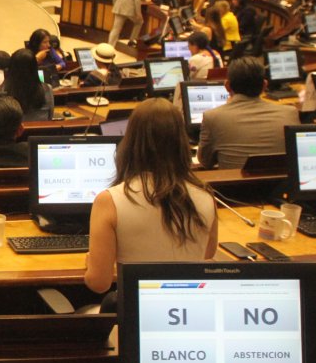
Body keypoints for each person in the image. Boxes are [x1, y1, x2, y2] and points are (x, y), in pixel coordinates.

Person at [84, 98, 217, 295]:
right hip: (189, 311)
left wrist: (89, 264)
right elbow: (207, 253)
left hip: (136, 315)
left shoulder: (110, 200)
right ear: (181, 141)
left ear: (130, 141)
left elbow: (99, 283)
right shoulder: (207, 197)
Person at [198, 58, 299, 170]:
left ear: (227, 86)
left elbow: (204, 161)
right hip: (283, 186)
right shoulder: (290, 113)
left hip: (232, 186)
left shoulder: (212, 116)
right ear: (264, 85)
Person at [2, 49, 53, 121]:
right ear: (35, 68)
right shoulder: (48, 89)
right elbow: (50, 117)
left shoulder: (3, 90)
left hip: (15, 132)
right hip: (41, 131)